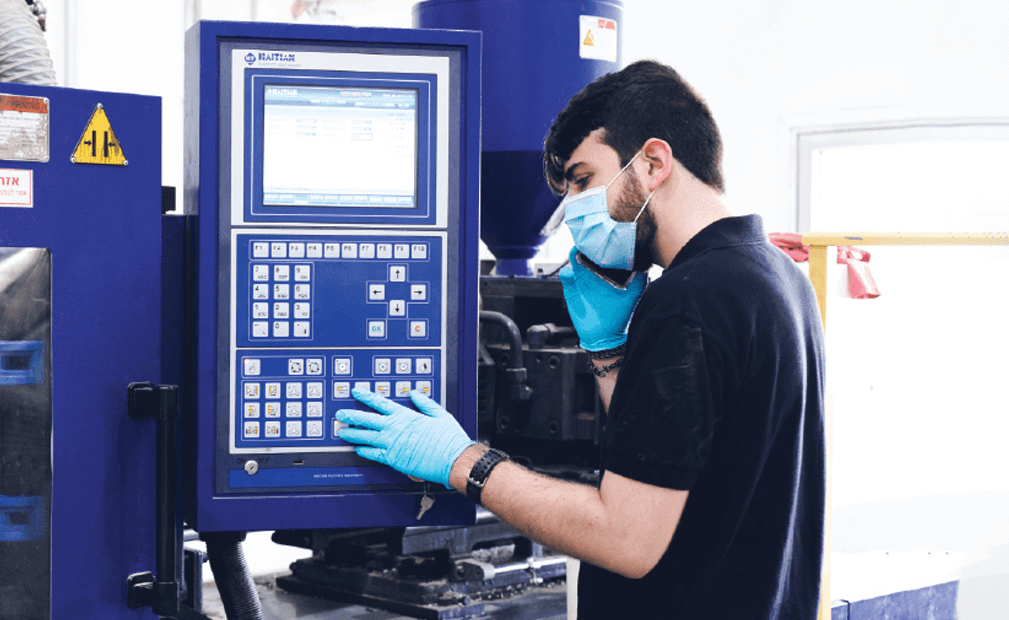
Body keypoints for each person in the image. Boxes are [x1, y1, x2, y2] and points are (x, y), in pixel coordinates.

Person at [337, 60, 825, 619]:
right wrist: (610, 351)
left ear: (654, 162)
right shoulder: (777, 276)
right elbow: (667, 457)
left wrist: (462, 461)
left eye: (583, 179)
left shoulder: (690, 300)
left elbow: (626, 538)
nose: (572, 211)